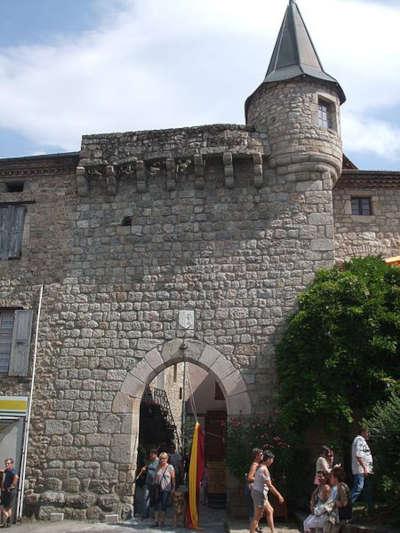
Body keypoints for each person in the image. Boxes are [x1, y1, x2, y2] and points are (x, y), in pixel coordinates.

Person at [249, 450, 284, 533]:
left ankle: (273, 531)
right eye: (272, 459)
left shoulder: (261, 466)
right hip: (259, 494)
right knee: (257, 517)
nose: (272, 461)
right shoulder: (264, 469)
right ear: (268, 459)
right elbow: (270, 486)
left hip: (258, 493)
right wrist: (279, 495)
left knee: (270, 510)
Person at [350, 426, 373, 512]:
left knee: (367, 489)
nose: (369, 434)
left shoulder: (362, 441)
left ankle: (370, 509)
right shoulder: (359, 440)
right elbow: (358, 455)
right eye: (368, 432)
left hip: (365, 470)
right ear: (363, 432)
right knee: (358, 488)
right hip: (361, 470)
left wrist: (369, 468)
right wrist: (365, 468)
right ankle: (345, 507)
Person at [324, 466, 352, 533]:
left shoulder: (341, 487)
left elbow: (344, 503)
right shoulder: (334, 487)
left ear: (336, 478)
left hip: (340, 517)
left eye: (331, 477)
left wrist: (334, 503)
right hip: (334, 516)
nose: (330, 479)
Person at [153, 452, 175, 527]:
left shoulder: (170, 467)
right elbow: (155, 477)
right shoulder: (157, 467)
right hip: (158, 488)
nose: (162, 460)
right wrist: (155, 486)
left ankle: (162, 521)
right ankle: (156, 521)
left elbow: (173, 478)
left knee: (164, 505)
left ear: (167, 459)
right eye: (161, 458)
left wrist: (173, 488)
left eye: (164, 458)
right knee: (156, 504)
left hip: (166, 488)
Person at [246, 449, 263, 524]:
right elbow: (249, 477)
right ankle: (254, 527)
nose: (262, 456)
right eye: (261, 454)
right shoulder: (255, 465)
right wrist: (260, 479)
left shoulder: (257, 464)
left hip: (254, 488)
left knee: (256, 509)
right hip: (251, 489)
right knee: (253, 509)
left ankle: (255, 527)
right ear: (257, 456)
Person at [0, 458, 19, 528]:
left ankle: (7, 517)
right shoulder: (7, 470)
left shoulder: (12, 471)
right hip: (8, 492)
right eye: (6, 463)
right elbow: (2, 470)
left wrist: (11, 487)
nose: (7, 465)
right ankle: (8, 523)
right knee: (8, 508)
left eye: (8, 463)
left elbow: (16, 477)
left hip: (9, 492)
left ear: (11, 464)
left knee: (2, 506)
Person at [141, 450, 159, 520]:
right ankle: (145, 514)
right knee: (145, 498)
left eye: (151, 455)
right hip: (148, 482)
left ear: (155, 455)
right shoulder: (149, 461)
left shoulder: (159, 462)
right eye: (150, 455)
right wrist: (144, 469)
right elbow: (146, 469)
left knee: (154, 499)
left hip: (155, 483)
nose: (150, 457)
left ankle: (154, 515)